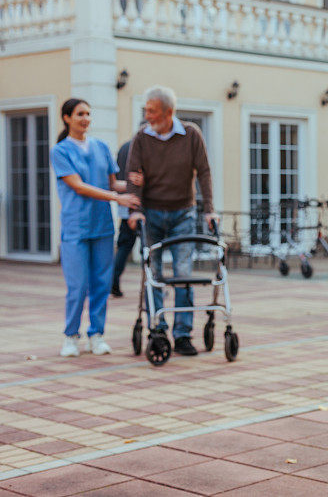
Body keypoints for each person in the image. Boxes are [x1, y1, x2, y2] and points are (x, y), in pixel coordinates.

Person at [126, 85, 218, 356]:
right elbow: (133, 174)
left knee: (183, 273)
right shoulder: (141, 138)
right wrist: (135, 209)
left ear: (169, 112)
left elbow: (204, 173)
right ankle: (158, 328)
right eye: (146, 110)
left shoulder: (191, 135)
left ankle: (182, 335)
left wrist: (209, 209)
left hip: (183, 213)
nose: (147, 114)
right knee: (154, 274)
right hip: (151, 213)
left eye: (152, 110)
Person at [50, 98, 140, 357]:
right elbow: (78, 186)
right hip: (76, 228)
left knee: (102, 284)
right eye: (80, 114)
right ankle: (71, 336)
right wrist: (116, 198)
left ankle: (97, 335)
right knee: (78, 287)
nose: (85, 118)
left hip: (102, 227)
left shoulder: (101, 147)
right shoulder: (61, 151)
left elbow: (114, 184)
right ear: (67, 118)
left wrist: (137, 183)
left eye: (88, 113)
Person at [110, 136, 138, 297]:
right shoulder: (141, 147)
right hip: (136, 203)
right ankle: (155, 285)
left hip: (124, 203)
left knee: (124, 246)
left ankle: (114, 281)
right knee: (148, 248)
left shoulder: (124, 146)